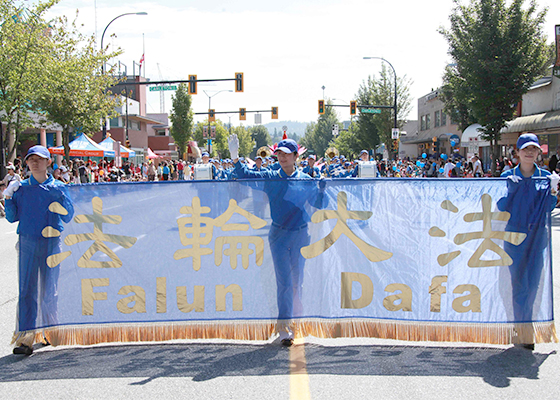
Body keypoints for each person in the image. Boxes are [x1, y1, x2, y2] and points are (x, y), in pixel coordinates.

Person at [228, 135, 325, 346]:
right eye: (279, 153)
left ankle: (295, 320)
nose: (281, 157)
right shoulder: (271, 176)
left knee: (296, 282)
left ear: (296, 156)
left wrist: (322, 189)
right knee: (284, 282)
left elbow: (319, 203)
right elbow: (246, 175)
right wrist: (235, 158)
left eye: (286, 154)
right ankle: (284, 328)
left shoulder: (306, 180)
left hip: (300, 234)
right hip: (279, 235)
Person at [3, 145, 74, 355]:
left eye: (40, 159)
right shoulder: (20, 188)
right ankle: (25, 338)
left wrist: (61, 200)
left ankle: (50, 331)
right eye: (31, 159)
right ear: (26, 163)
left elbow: (68, 216)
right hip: (27, 242)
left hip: (52, 243)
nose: (35, 162)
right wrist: (8, 198)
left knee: (49, 291)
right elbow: (11, 217)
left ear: (48, 162)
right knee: (26, 290)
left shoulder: (59, 187)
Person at [499, 134, 559, 350]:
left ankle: (528, 326)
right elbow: (500, 206)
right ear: (517, 152)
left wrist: (552, 190)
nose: (529, 153)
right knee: (518, 284)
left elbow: (548, 207)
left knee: (533, 283)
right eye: (525, 149)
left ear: (538, 152)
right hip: (514, 237)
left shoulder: (544, 177)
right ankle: (520, 326)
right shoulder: (507, 176)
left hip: (537, 238)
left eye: (533, 149)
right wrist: (510, 190)